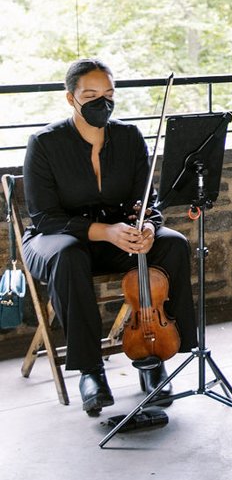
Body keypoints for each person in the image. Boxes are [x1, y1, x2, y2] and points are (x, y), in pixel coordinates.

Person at [22, 59, 198, 416]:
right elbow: (43, 216)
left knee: (173, 244)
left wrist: (147, 228)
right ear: (71, 98)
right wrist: (106, 231)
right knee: (70, 255)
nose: (101, 102)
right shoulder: (44, 142)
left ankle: (154, 355)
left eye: (108, 94)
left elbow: (147, 203)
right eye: (90, 95)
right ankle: (91, 371)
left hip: (117, 236)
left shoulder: (129, 137)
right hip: (55, 239)